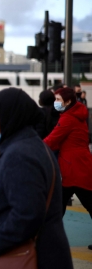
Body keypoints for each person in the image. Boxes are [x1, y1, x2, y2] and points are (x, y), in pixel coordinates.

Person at [0, 88, 82, 269]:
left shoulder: (20, 154)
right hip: (37, 266)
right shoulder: (30, 145)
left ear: (10, 117)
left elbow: (26, 214)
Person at [44, 87, 92, 250]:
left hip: (72, 168)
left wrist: (31, 146)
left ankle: (48, 238)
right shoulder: (79, 114)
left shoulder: (68, 119)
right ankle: (49, 237)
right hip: (82, 164)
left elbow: (52, 140)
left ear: (68, 101)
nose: (56, 103)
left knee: (58, 205)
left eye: (58, 100)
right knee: (64, 204)